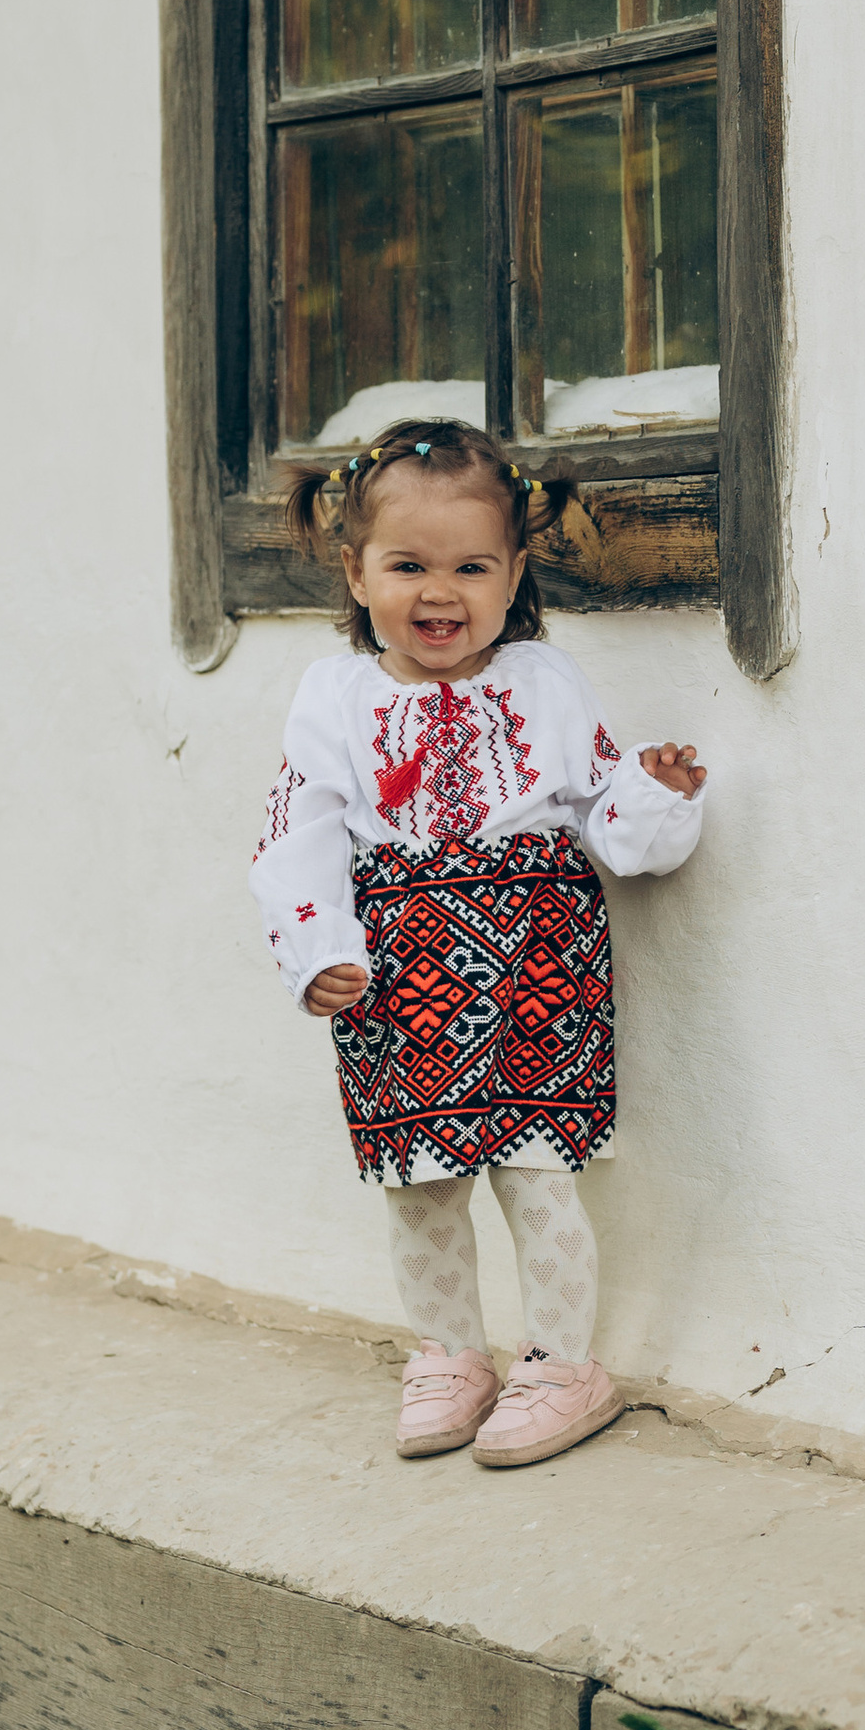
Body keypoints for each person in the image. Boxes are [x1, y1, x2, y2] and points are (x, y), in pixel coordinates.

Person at [250, 419, 707, 1468]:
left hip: (541, 961)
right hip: (399, 975)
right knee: (420, 1180)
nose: (439, 592)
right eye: (407, 565)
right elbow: (295, 833)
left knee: (538, 1169)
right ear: (356, 573)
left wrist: (651, 792)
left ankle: (563, 1365)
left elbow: (602, 814)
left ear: (513, 573)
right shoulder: (336, 698)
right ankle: (451, 1353)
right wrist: (315, 948)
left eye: (470, 566)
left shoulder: (545, 683)